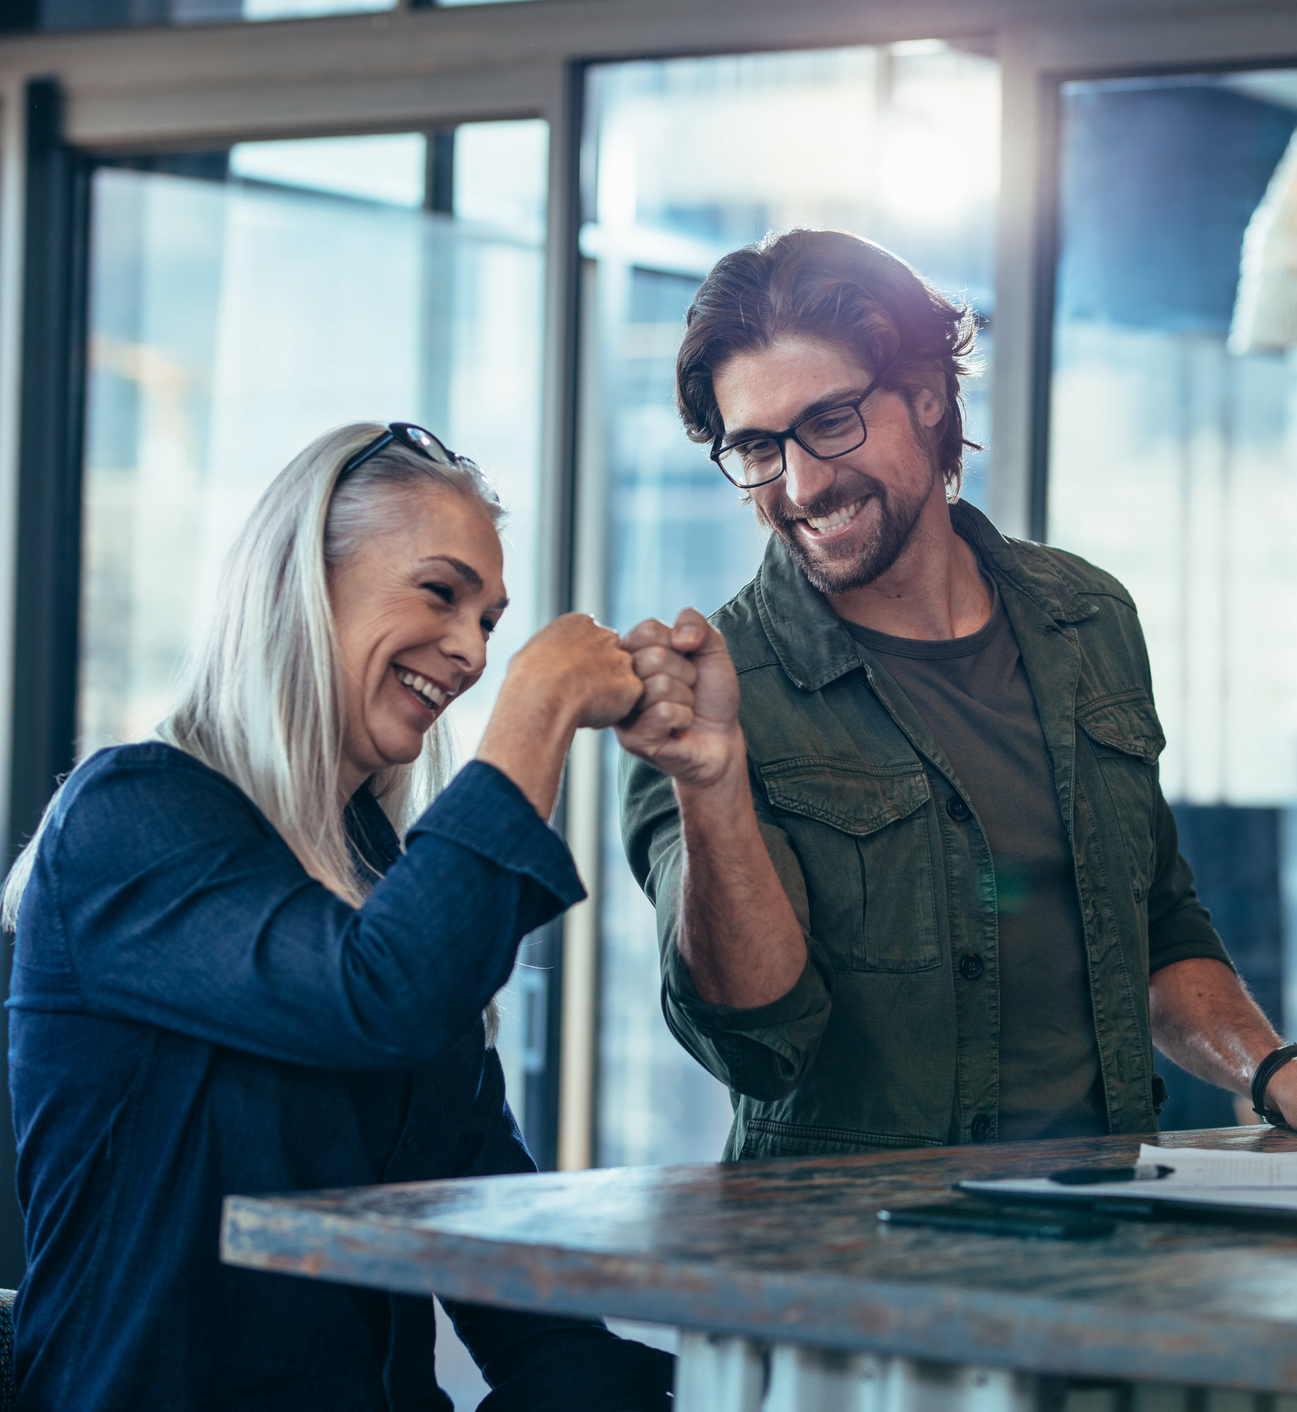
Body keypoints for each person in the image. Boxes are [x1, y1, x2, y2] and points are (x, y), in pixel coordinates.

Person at [3, 422, 673, 1411]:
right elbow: (376, 996)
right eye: (440, 592)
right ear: (299, 582)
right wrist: (536, 705)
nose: (472, 650)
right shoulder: (128, 816)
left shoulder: (391, 888)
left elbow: (504, 1262)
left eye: (491, 622)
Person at [615, 229, 1297, 1161]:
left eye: (829, 421)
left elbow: (1153, 923)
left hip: (1101, 1241)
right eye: (759, 448)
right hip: (850, 1267)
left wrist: (1269, 1070)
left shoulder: (1088, 618)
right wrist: (710, 785)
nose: (802, 484)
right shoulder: (711, 699)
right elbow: (751, 1042)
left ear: (928, 396)